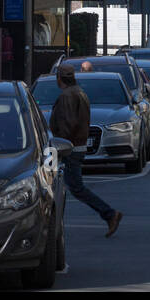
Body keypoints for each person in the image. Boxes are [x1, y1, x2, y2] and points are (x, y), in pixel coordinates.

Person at [50, 65, 122, 237]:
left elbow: (67, 124)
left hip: (65, 148)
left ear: (59, 78)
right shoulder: (79, 93)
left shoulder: (68, 96)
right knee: (54, 184)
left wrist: (57, 147)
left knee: (72, 186)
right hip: (74, 146)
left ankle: (109, 214)